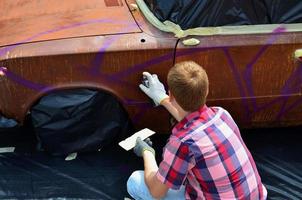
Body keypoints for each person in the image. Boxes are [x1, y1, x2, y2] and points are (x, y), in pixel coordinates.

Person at [127, 61, 267, 199]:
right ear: (206, 90)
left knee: (135, 182)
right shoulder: (221, 114)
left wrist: (147, 152)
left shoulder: (183, 143)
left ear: (171, 95)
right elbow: (193, 119)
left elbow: (156, 192)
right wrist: (162, 98)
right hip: (257, 196)